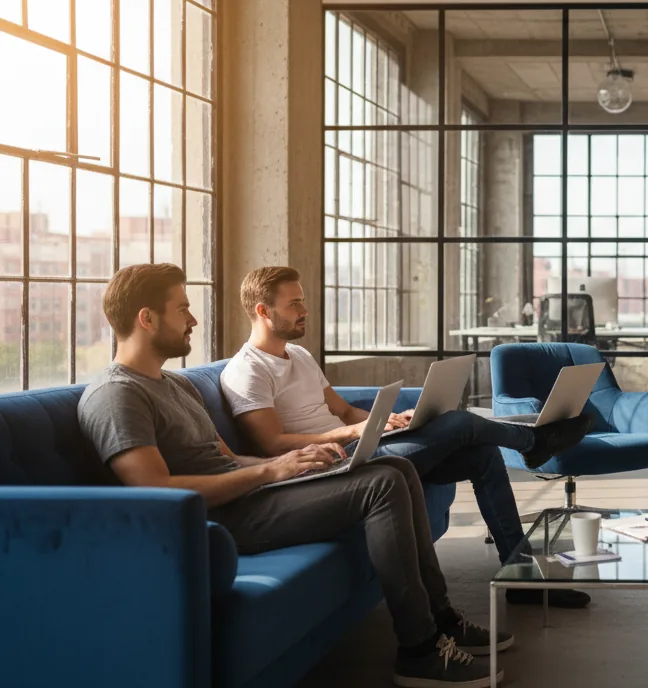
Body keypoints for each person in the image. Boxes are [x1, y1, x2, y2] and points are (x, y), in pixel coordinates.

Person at [77, 264, 503, 687]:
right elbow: (156, 492)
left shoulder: (175, 385)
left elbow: (226, 458)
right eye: (183, 309)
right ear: (146, 319)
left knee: (395, 466)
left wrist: (300, 462)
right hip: (222, 519)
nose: (193, 320)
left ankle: (443, 619)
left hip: (253, 493)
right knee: (382, 485)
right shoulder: (117, 396)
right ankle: (419, 650)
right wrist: (270, 469)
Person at [219, 266, 591, 608]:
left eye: (302, 300)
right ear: (264, 311)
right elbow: (272, 444)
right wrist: (353, 431)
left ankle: (520, 576)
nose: (304, 309)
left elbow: (345, 411)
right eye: (294, 303)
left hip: (360, 447)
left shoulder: (298, 354)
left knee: (483, 456)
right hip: (329, 469)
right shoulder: (246, 371)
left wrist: (388, 421)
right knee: (460, 424)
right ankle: (532, 442)